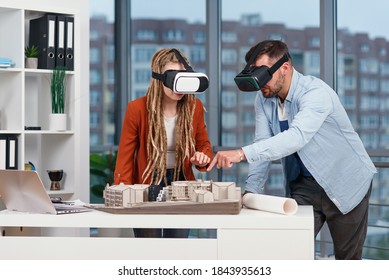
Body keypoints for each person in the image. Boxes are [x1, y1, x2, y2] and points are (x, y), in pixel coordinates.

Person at [207, 40, 377, 259]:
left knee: (347, 261)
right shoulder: (264, 99)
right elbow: (262, 141)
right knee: (290, 253)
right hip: (304, 186)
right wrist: (251, 191)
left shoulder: (315, 93)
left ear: (284, 68)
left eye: (264, 75)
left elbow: (296, 137)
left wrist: (240, 153)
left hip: (346, 181)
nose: (260, 85)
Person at [114, 48, 213, 238]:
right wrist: (123, 191)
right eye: (172, 78)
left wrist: (202, 157)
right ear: (158, 79)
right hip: (148, 181)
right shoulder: (137, 109)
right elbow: (125, 156)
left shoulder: (195, 107)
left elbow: (204, 146)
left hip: (181, 183)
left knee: (177, 243)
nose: (178, 86)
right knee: (148, 245)